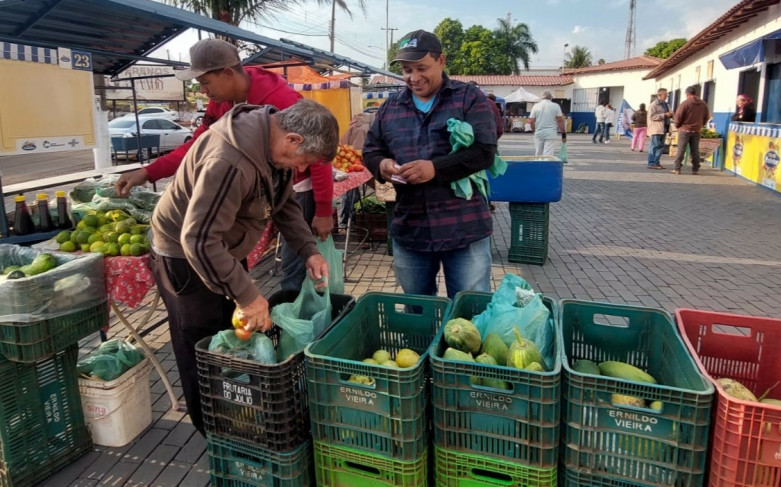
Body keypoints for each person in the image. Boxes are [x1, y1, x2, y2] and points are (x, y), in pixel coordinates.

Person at [149, 100, 339, 435]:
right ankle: (213, 431)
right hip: (186, 256)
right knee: (203, 347)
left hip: (220, 247)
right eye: (305, 161)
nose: (302, 168)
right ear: (293, 139)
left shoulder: (273, 147)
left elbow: (284, 204)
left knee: (233, 333)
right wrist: (248, 296)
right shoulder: (230, 160)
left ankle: (238, 415)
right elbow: (199, 240)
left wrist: (308, 250)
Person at [112, 38, 334, 290]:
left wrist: (323, 210)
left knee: (265, 277)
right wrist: (150, 171)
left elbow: (316, 157)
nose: (203, 91)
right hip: (191, 242)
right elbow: (197, 145)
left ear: (228, 74)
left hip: (253, 215)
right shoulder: (224, 125)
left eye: (205, 82)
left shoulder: (282, 103)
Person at [362, 29, 497, 299]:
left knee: (470, 309)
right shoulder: (390, 108)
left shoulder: (468, 98)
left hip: (463, 226)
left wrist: (435, 169)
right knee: (417, 309)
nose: (414, 77)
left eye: (421, 68)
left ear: (441, 61)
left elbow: (484, 151)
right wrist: (383, 165)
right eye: (407, 70)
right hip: (411, 227)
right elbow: (371, 150)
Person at [672, 85, 712, 175]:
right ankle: (695, 169)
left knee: (681, 149)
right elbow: (707, 116)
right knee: (695, 150)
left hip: (684, 129)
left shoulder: (685, 103)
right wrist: (701, 124)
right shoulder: (703, 104)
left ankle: (677, 168)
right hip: (696, 130)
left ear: (687, 94)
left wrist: (677, 125)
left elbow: (678, 116)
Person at [529, 91, 565, 156]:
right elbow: (560, 121)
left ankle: (538, 162)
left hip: (539, 132)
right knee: (548, 155)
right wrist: (563, 135)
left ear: (541, 97)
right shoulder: (556, 106)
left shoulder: (536, 106)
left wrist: (534, 131)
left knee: (538, 153)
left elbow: (531, 121)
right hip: (551, 133)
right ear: (551, 98)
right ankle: (547, 162)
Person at [647, 88, 672, 170]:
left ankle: (656, 162)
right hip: (656, 128)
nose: (666, 96)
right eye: (665, 94)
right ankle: (651, 163)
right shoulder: (654, 105)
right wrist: (664, 115)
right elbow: (652, 116)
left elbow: (669, 113)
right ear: (660, 95)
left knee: (661, 147)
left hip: (664, 128)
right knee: (654, 146)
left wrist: (671, 114)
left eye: (667, 94)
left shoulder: (666, 104)